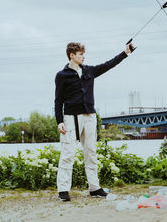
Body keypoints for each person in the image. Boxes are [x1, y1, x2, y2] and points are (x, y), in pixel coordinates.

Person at [54, 42, 135, 202]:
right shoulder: (61, 75)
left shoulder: (89, 71)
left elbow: (108, 65)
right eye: (80, 54)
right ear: (72, 55)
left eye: (83, 54)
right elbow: (58, 100)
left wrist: (125, 53)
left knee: (90, 152)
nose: (84, 56)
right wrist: (59, 121)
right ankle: (63, 190)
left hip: (90, 116)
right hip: (71, 118)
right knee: (68, 154)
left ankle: (94, 188)